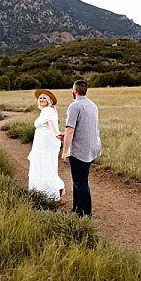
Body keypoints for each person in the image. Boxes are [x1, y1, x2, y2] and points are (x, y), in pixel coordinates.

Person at [60, 78, 101, 219]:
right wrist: (64, 135)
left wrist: (65, 152)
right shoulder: (93, 105)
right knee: (79, 180)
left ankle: (86, 215)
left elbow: (70, 129)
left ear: (74, 90)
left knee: (80, 181)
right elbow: (83, 126)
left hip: (80, 150)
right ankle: (76, 210)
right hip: (92, 147)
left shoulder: (74, 106)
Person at [27, 87, 64, 202]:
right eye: (40, 98)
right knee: (45, 166)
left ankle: (51, 192)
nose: (41, 99)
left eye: (44, 98)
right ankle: (48, 190)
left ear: (49, 100)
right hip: (44, 143)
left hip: (45, 144)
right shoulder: (48, 110)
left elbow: (51, 123)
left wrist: (56, 133)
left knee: (44, 166)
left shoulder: (47, 110)